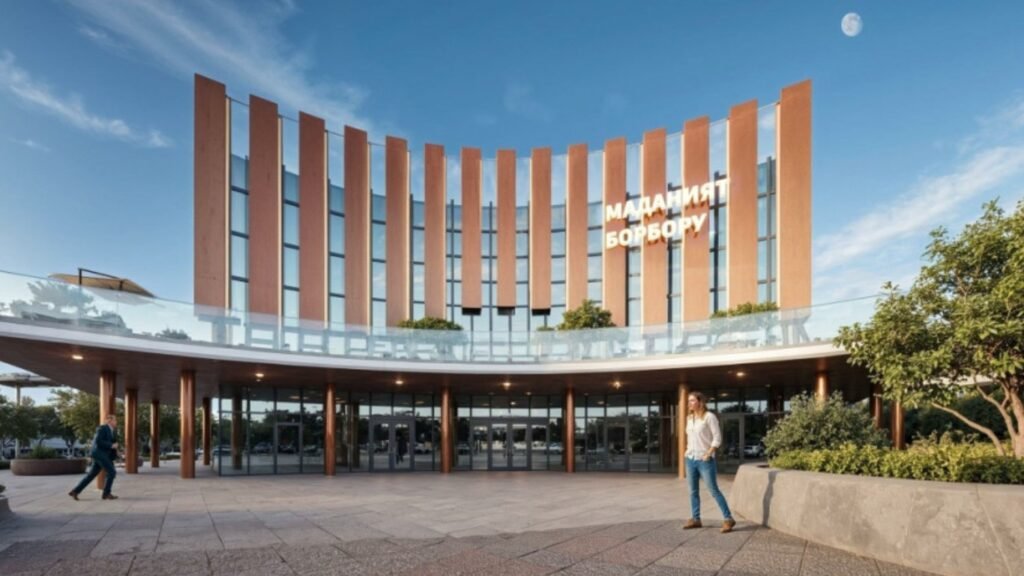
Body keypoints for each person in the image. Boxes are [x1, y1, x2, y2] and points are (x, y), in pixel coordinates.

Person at [682, 392, 735, 533]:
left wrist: (709, 453)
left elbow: (717, 438)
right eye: (688, 401)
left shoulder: (709, 417)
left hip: (704, 460)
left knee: (713, 490)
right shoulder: (689, 418)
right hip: (690, 459)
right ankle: (696, 519)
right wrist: (687, 452)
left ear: (700, 402)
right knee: (693, 491)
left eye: (692, 400)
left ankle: (728, 518)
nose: (689, 403)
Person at [69, 414, 119, 501]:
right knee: (111, 472)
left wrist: (114, 447)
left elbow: (109, 443)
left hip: (102, 455)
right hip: (100, 454)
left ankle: (75, 491)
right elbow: (98, 441)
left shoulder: (112, 431)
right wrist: (111, 445)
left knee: (91, 475)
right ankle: (106, 494)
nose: (116, 422)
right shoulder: (102, 428)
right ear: (109, 421)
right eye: (115, 420)